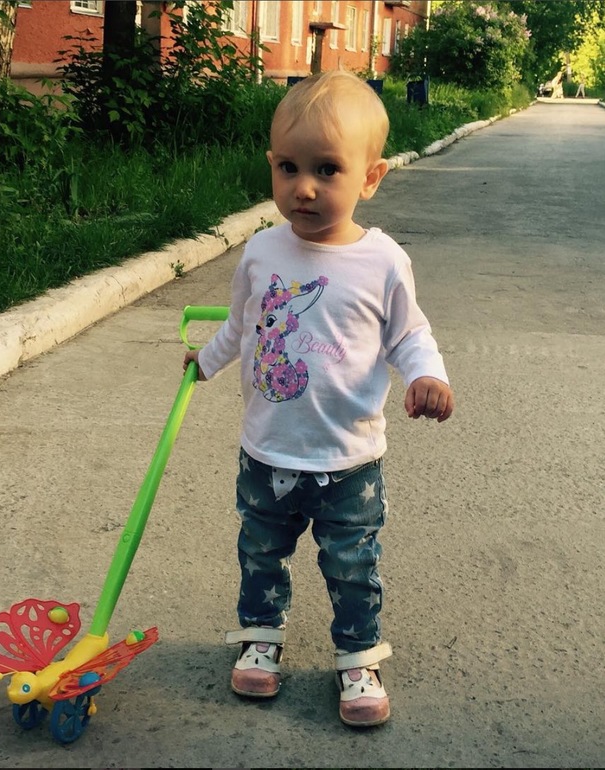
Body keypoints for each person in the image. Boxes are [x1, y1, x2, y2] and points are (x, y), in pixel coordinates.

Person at [183, 69, 454, 728]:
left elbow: (408, 334)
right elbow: (242, 326)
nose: (302, 187)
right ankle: (260, 637)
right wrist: (206, 362)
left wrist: (427, 375)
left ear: (371, 177)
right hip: (267, 451)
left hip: (348, 459)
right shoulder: (261, 252)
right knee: (260, 553)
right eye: (288, 167)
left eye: (327, 169)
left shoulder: (381, 262)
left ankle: (358, 657)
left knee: (352, 564)